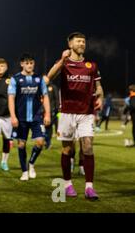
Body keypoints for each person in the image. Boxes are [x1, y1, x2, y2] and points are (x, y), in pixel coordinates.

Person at [47, 32, 103, 200]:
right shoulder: (64, 63)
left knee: (87, 147)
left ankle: (89, 188)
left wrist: (100, 96)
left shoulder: (91, 65)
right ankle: (67, 184)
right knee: (67, 149)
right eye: (78, 41)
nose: (82, 44)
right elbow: (49, 77)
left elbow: (99, 87)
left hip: (86, 113)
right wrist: (61, 60)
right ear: (70, 44)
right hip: (66, 113)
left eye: (84, 41)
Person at [8, 54, 50, 181]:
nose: (29, 65)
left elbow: (45, 96)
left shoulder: (39, 78)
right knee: (21, 145)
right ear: (22, 64)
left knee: (40, 142)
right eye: (27, 63)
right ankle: (24, 171)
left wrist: (47, 113)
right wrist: (13, 116)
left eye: (31, 63)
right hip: (21, 118)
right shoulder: (15, 79)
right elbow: (11, 98)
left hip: (37, 117)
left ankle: (31, 164)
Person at [43, 75, 60, 149]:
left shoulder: (53, 87)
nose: (44, 80)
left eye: (45, 78)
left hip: (51, 110)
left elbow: (57, 98)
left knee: (48, 127)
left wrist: (57, 108)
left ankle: (48, 142)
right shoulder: (40, 87)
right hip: (41, 111)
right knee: (43, 127)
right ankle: (45, 141)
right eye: (43, 79)